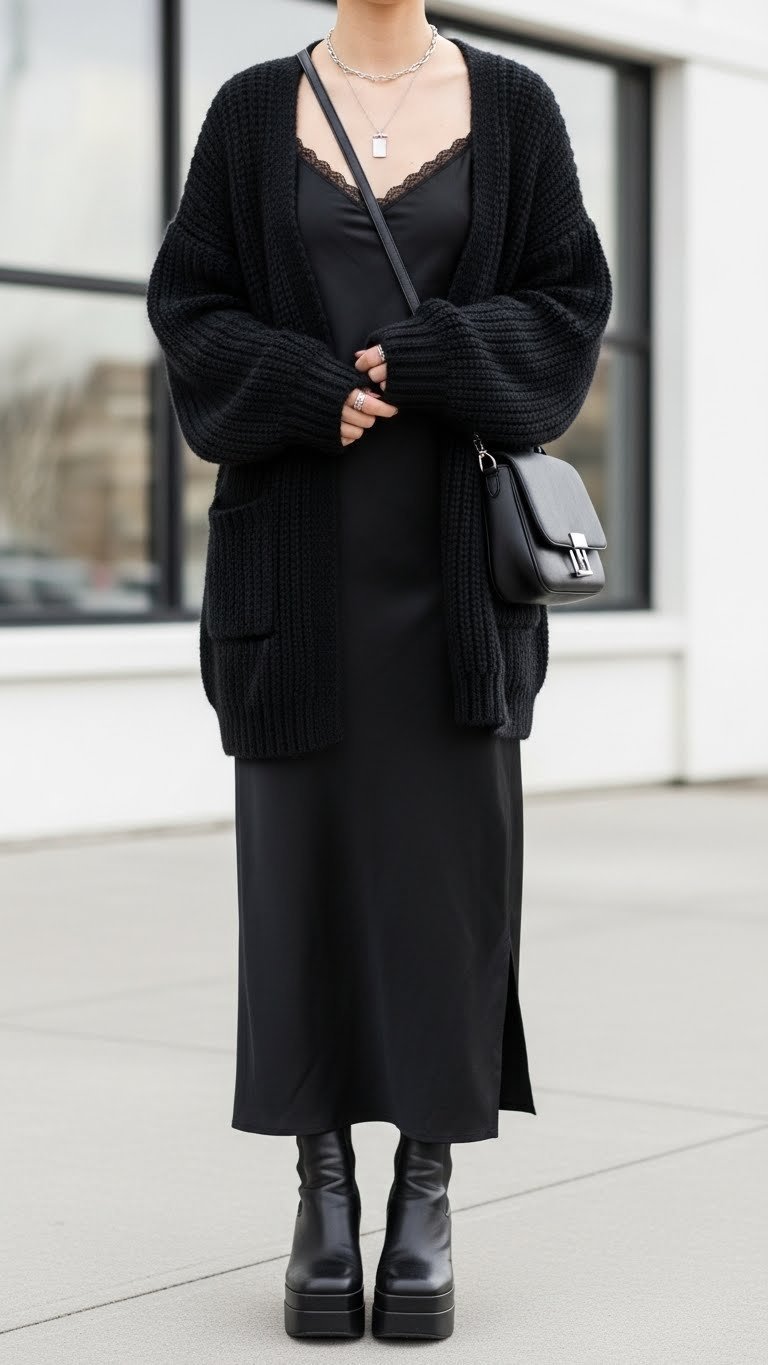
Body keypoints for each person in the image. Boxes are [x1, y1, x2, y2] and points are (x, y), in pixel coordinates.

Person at [146, 1, 612, 1342]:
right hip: (291, 586)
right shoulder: (247, 110)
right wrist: (301, 382)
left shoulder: (515, 109)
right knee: (299, 885)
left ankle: (424, 1189)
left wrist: (431, 355)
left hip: (455, 586)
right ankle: (323, 1193)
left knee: (446, 892)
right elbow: (191, 311)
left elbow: (570, 307)